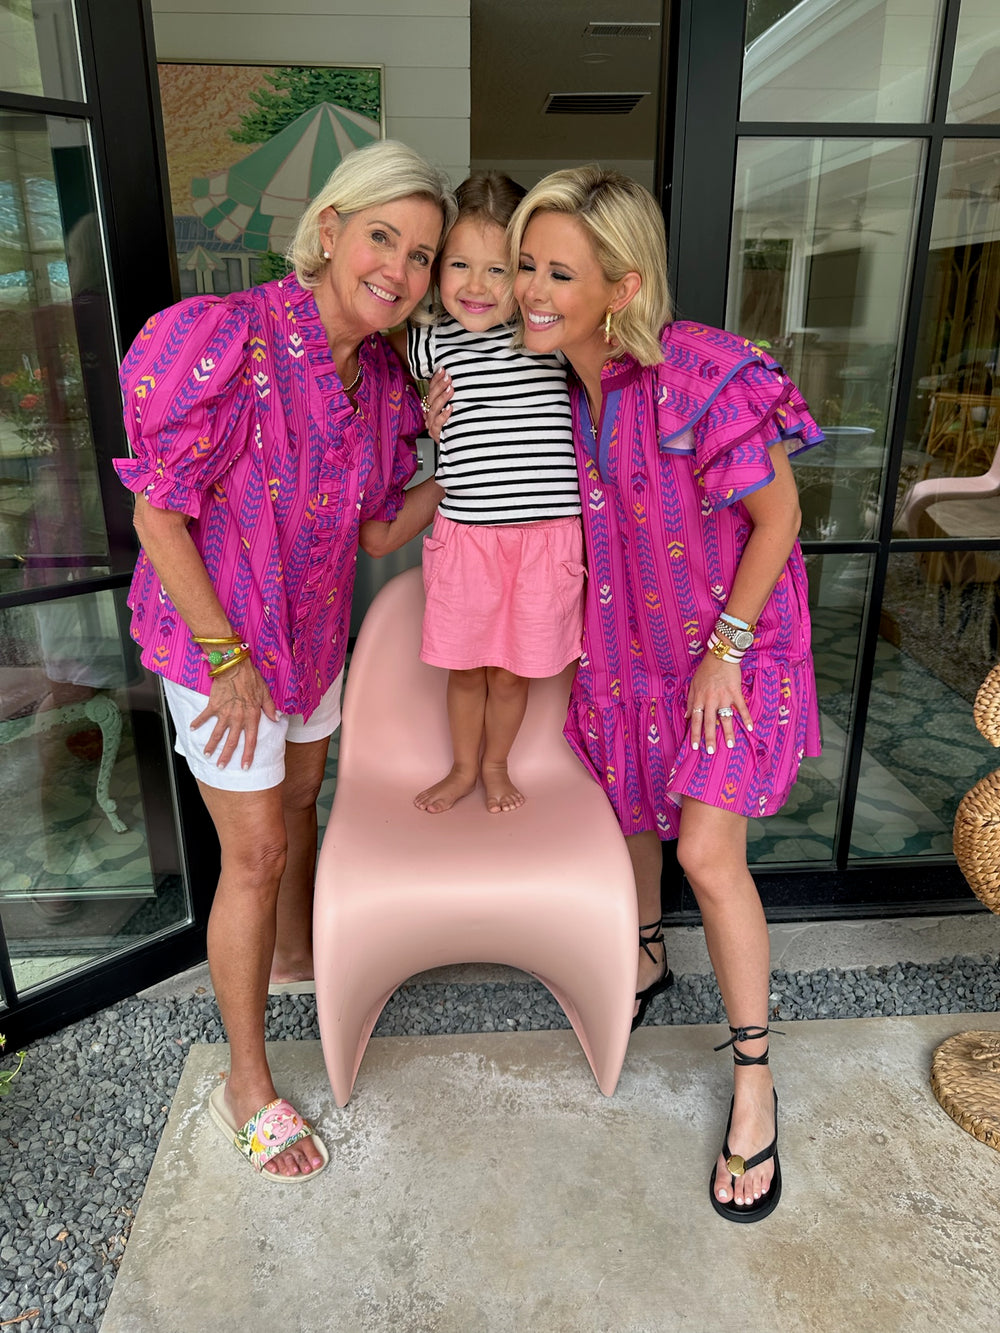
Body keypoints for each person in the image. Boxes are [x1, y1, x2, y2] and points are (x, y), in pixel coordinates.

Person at [432, 164, 822, 1221]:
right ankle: (647, 958)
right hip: (631, 651)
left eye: (559, 273)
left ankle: (754, 1079)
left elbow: (780, 519)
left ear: (624, 284)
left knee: (707, 854)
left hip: (730, 648)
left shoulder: (700, 375)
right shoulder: (559, 382)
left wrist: (727, 648)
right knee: (634, 820)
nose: (529, 290)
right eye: (525, 265)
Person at [114, 140, 456, 1181]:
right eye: (383, 237)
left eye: (423, 255)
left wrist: (462, 457)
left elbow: (376, 531)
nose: (400, 269)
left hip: (310, 646)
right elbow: (158, 517)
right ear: (330, 230)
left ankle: (296, 953)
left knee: (302, 800)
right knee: (256, 851)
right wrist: (226, 659)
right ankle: (247, 1081)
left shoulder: (384, 381)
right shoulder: (227, 338)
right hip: (220, 649)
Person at [375, 171, 584, 815]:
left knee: (512, 673)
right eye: (459, 265)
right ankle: (464, 766)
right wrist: (426, 417)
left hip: (546, 539)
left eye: (499, 270)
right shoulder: (428, 342)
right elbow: (393, 394)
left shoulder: (551, 339)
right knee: (465, 670)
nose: (476, 286)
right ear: (436, 269)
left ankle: (496, 765)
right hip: (466, 536)